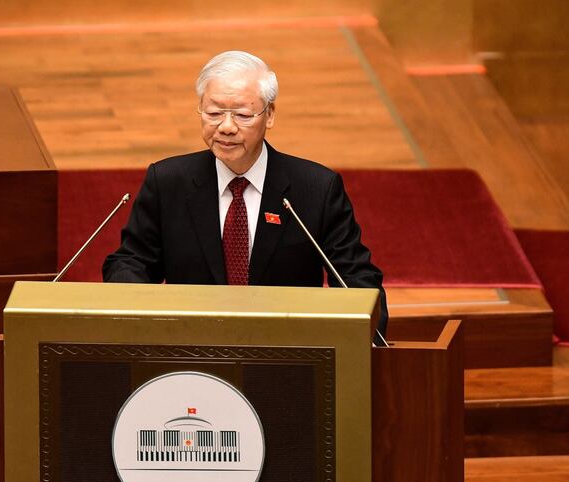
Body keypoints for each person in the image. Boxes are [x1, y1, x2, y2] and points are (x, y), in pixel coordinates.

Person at [103, 50, 388, 335]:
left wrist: (367, 338)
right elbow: (132, 261)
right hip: (191, 349)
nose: (226, 127)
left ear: (270, 115)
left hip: (286, 352)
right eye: (214, 113)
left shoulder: (315, 188)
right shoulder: (168, 181)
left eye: (242, 114)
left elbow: (356, 279)